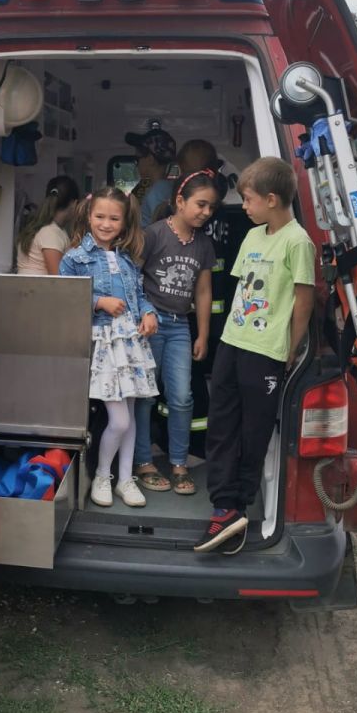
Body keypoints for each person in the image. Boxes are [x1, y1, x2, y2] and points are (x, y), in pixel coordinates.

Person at [195, 157, 316, 554]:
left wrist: (291, 349)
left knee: (253, 432)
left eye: (248, 199)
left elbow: (303, 301)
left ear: (272, 199)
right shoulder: (252, 236)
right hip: (233, 342)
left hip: (266, 352)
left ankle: (240, 504)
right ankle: (222, 505)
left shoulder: (297, 242)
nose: (243, 206)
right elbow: (240, 292)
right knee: (221, 425)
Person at [59, 187, 158, 508]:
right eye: (100, 216)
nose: (106, 224)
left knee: (130, 416)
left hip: (130, 345)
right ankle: (103, 475)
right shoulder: (74, 258)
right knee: (120, 421)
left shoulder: (127, 259)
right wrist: (99, 301)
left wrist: (149, 313)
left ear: (124, 222)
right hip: (102, 345)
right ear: (88, 216)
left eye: (114, 218)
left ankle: (125, 479)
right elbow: (63, 297)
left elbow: (138, 296)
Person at [133, 171, 221, 495]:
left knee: (182, 397)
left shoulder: (203, 244)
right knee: (146, 396)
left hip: (180, 325)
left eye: (211, 207)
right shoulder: (153, 234)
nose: (206, 212)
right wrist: (142, 315)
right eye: (201, 204)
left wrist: (203, 335)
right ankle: (144, 461)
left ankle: (179, 464)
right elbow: (132, 279)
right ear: (180, 201)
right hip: (150, 325)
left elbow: (203, 292)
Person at [16, 175, 79, 274]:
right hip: (38, 284)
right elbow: (58, 277)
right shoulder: (51, 233)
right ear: (74, 204)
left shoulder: (41, 227)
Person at [125, 126, 177, 227]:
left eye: (138, 159)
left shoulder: (159, 191)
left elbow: (160, 229)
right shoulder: (160, 187)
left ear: (150, 159)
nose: (136, 165)